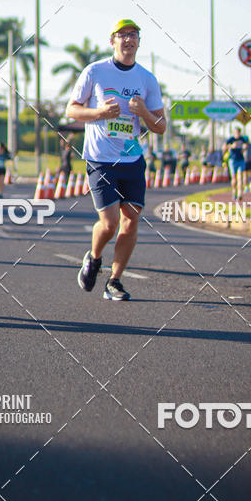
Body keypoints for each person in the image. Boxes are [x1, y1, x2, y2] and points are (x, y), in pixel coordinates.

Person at [67, 19, 166, 301]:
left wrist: (144, 111)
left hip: (132, 160)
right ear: (113, 41)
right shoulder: (95, 71)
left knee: (131, 222)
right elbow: (71, 110)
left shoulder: (147, 79)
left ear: (138, 42)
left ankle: (115, 280)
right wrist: (99, 114)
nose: (128, 39)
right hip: (100, 159)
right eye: (122, 35)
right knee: (109, 224)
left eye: (133, 35)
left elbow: (160, 126)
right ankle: (94, 257)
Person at [224, 126, 249, 201]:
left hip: (240, 159)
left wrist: (244, 148)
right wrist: (231, 146)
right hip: (233, 160)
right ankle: (234, 191)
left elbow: (246, 145)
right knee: (234, 177)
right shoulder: (231, 139)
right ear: (234, 132)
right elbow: (224, 146)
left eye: (238, 132)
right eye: (236, 132)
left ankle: (240, 193)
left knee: (240, 176)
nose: (237, 134)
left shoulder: (242, 139)